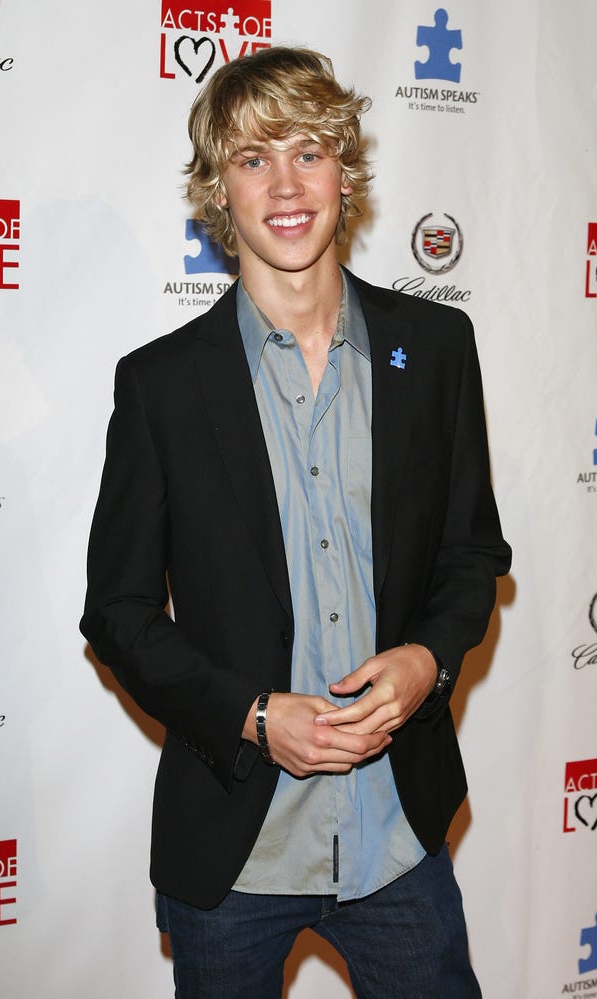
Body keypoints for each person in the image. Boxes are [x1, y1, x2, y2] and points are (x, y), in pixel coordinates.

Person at [80, 46, 511, 999]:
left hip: (396, 837)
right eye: (252, 158)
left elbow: (472, 552)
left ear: (344, 173)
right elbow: (117, 611)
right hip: (233, 852)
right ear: (217, 189)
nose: (285, 185)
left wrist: (427, 661)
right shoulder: (161, 386)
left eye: (308, 152)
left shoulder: (436, 347)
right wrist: (254, 715)